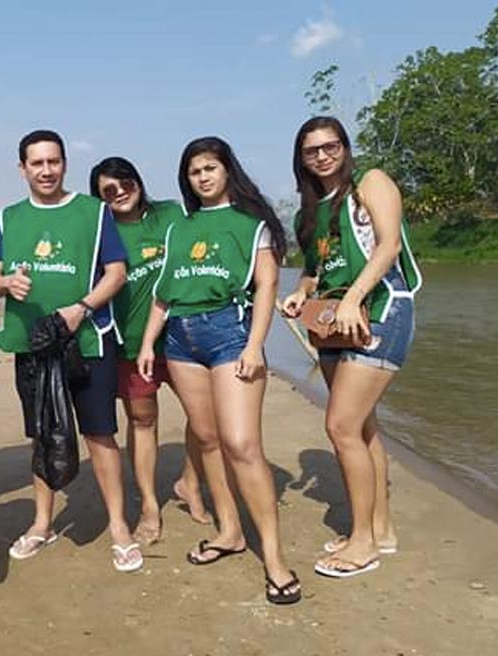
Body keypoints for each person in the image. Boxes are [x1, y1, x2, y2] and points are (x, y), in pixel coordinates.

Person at [139, 136, 301, 604]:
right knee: (206, 437)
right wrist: (150, 341)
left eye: (210, 167)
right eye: (194, 171)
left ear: (227, 169)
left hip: (230, 333)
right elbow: (163, 294)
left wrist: (255, 346)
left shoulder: (253, 225)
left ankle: (273, 557)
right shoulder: (180, 228)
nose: (203, 177)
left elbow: (268, 286)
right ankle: (229, 531)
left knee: (242, 444)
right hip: (181, 339)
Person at [0, 130, 143, 572]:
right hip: (32, 343)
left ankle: (119, 527)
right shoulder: (9, 218)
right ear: (23, 169)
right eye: (37, 163)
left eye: (53, 161)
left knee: (99, 434)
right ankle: (42, 523)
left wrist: (82, 307)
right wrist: (6, 283)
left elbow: (117, 273)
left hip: (88, 339)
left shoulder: (93, 213)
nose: (46, 170)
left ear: (65, 164)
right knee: (44, 433)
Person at [282, 116, 422, 578]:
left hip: (378, 310)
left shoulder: (371, 182)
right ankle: (380, 529)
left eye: (330, 146)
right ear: (301, 158)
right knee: (363, 428)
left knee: (341, 427)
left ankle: (362, 544)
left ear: (345, 146)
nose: (322, 155)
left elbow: (387, 247)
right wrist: (301, 292)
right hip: (331, 321)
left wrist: (356, 298)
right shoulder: (312, 208)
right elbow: (313, 268)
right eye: (312, 150)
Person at [88, 156, 210, 545]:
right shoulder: (99, 233)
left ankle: (190, 482)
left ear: (138, 180)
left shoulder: (171, 215)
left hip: (182, 339)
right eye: (108, 189)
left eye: (125, 181)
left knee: (206, 420)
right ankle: (150, 507)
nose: (120, 191)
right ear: (100, 198)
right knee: (143, 420)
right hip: (128, 345)